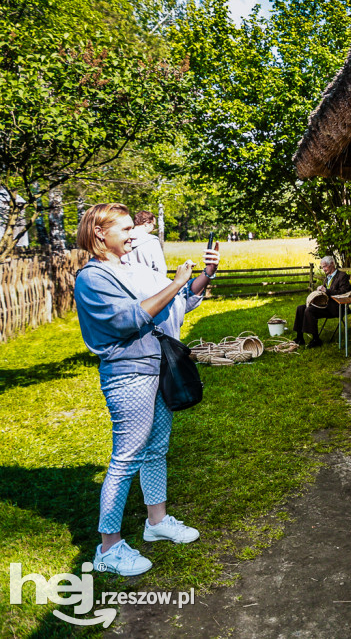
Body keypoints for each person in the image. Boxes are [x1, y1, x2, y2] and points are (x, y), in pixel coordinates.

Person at [74, 203, 220, 576]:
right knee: (126, 458)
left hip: (160, 369)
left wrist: (205, 274)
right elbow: (129, 319)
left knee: (156, 449)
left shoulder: (135, 269)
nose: (133, 234)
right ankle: (108, 547)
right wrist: (174, 282)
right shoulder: (92, 278)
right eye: (124, 228)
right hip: (129, 374)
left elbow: (179, 302)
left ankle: (156, 522)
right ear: (99, 234)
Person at [292, 256, 351, 348]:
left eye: (325, 266)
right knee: (300, 308)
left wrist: (326, 291)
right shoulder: (328, 276)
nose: (324, 269)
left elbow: (343, 292)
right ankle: (300, 337)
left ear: (332, 264)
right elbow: (325, 291)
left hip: (336, 307)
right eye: (322, 267)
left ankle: (316, 339)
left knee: (309, 310)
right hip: (325, 305)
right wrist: (320, 290)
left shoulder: (342, 275)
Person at [123, 210, 166, 275]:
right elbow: (160, 268)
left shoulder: (123, 238)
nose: (153, 229)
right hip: (148, 280)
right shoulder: (152, 241)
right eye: (153, 225)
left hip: (127, 280)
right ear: (146, 224)